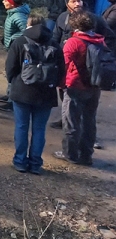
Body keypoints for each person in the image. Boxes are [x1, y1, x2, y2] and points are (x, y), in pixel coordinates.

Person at [6, 13, 62, 174]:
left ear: (28, 25)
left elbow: (10, 67)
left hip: (22, 91)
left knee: (22, 127)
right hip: (45, 94)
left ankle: (20, 161)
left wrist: (14, 82)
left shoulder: (20, 42)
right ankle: (36, 163)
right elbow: (60, 70)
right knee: (39, 130)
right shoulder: (54, 44)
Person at [55, 11, 103, 166]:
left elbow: (64, 64)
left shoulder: (73, 42)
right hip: (94, 86)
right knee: (89, 121)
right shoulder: (99, 41)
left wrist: (60, 83)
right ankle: (86, 155)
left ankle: (70, 153)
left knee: (71, 122)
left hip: (75, 85)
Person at [0, 0, 30, 111]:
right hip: (13, 47)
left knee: (13, 71)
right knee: (11, 70)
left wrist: (12, 38)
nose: (3, 2)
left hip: (17, 48)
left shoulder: (18, 16)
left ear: (12, 3)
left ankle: (12, 101)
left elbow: (27, 31)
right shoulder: (13, 13)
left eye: (5, 0)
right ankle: (10, 95)